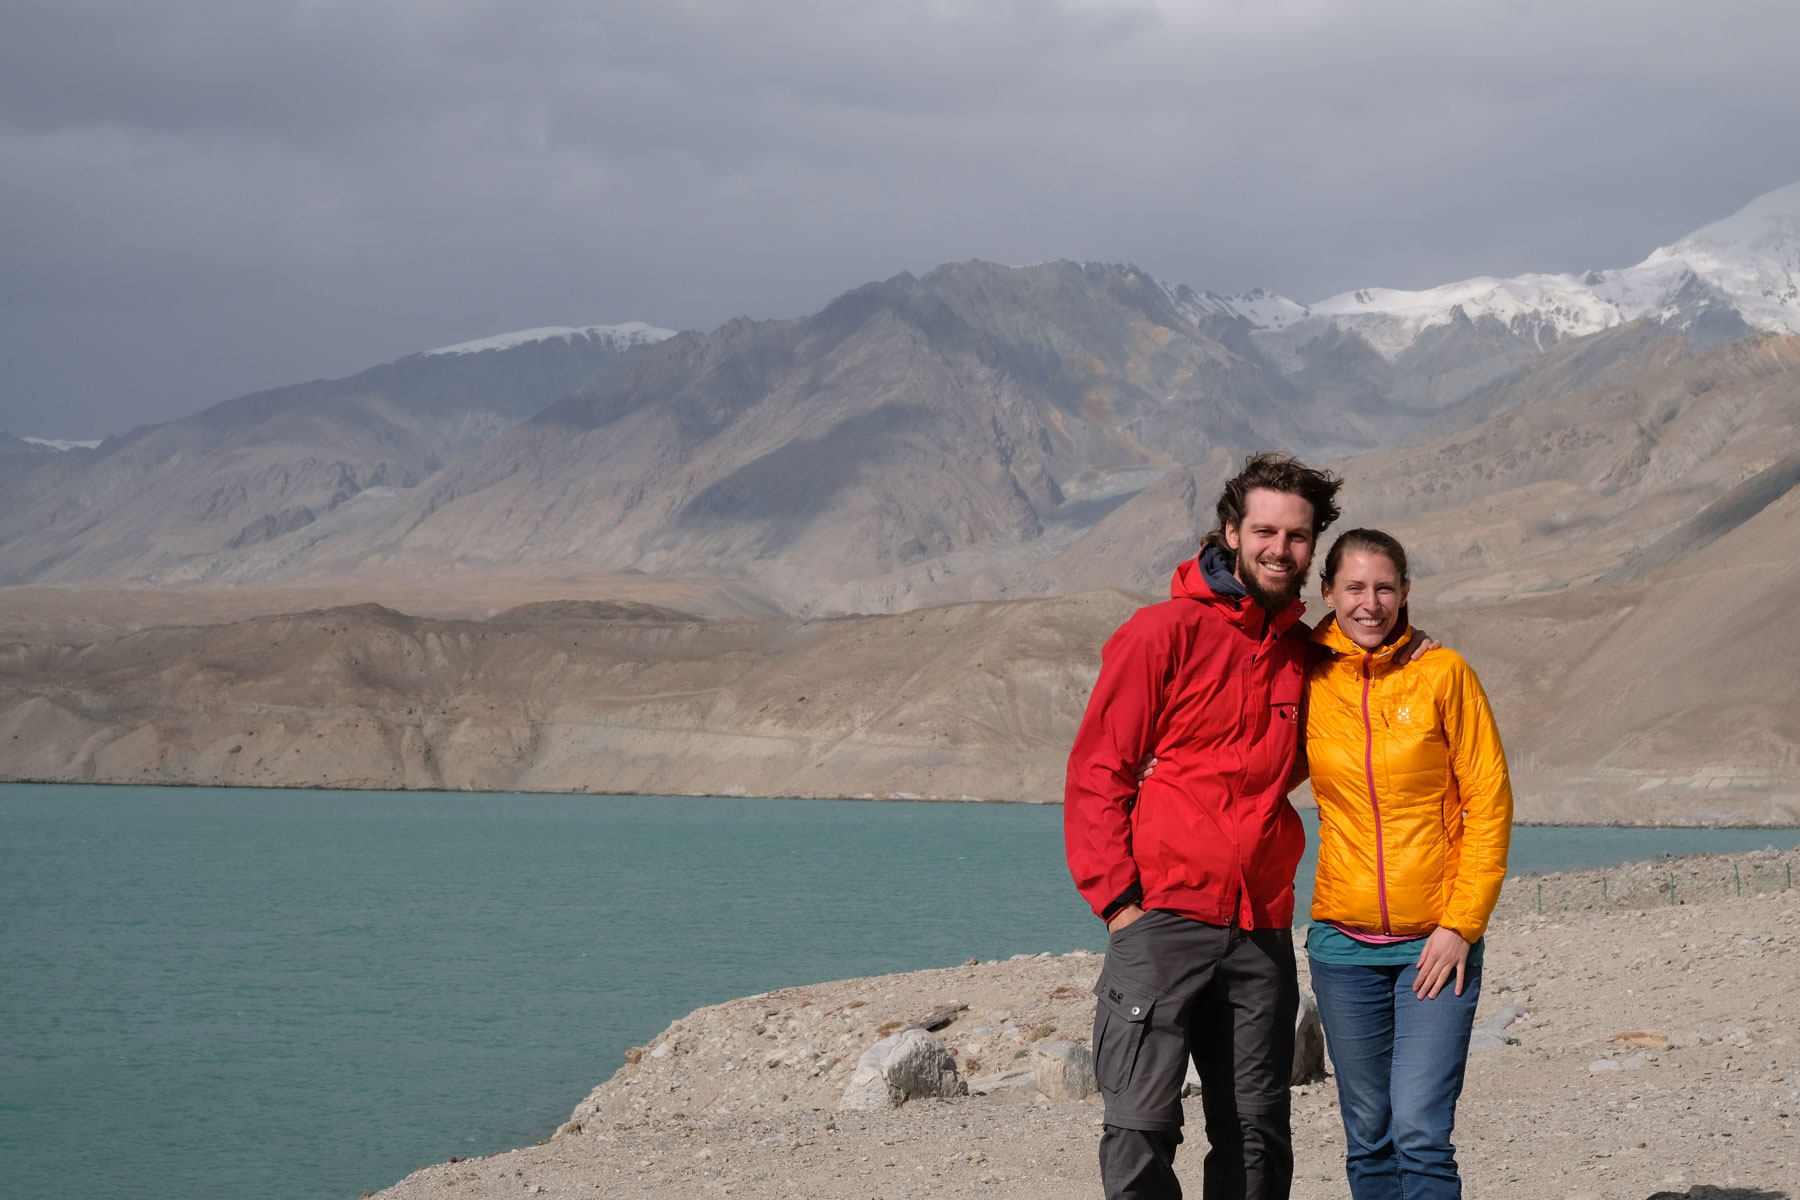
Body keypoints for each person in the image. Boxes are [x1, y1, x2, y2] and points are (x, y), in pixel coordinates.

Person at [1064, 451, 1344, 1200]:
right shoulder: (1161, 634)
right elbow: (1098, 771)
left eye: (1296, 536)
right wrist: (1121, 905)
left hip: (1260, 930)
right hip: (1160, 921)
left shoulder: (1302, 653)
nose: (1279, 549)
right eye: (1265, 531)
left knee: (1256, 1136)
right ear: (1230, 531)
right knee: (1140, 1127)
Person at [1303, 527, 1512, 1200]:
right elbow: (1245, 752)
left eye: (1385, 587)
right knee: (1369, 1133)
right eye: (1355, 588)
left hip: (1435, 943)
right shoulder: (1305, 674)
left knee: (1420, 1129)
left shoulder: (1445, 674)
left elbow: (1489, 801)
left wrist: (1462, 925)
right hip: (1342, 944)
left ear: (1406, 592)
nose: (1371, 604)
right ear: (1327, 592)